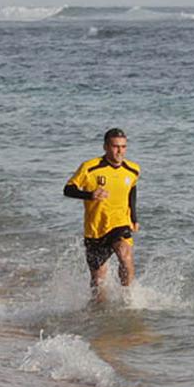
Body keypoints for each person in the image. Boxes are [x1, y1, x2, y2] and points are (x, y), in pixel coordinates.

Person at [63, 128, 140, 299]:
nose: (120, 151)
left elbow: (132, 190)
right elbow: (68, 190)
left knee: (124, 255)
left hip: (120, 223)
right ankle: (98, 313)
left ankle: (129, 299)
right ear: (105, 147)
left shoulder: (133, 169)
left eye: (123, 147)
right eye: (115, 146)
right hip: (95, 229)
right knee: (98, 282)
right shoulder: (90, 168)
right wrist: (90, 195)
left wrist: (134, 217)